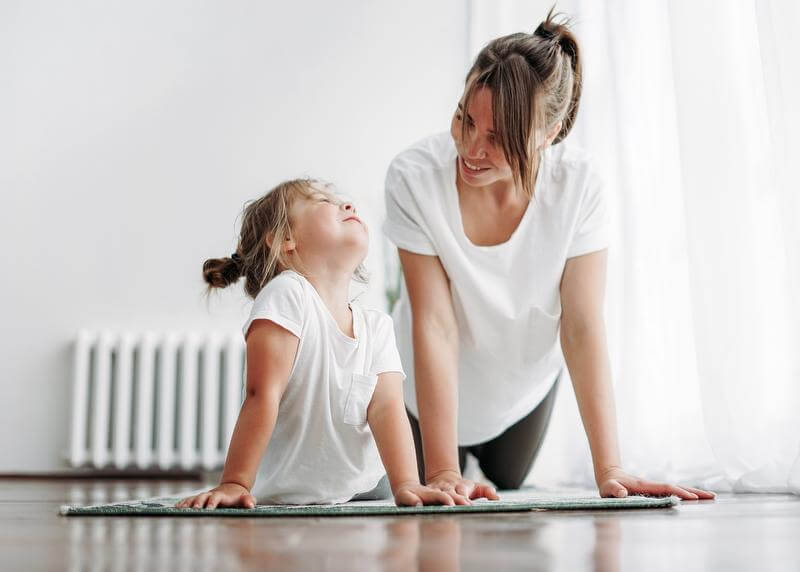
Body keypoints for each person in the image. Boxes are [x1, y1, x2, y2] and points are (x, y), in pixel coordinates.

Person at [383, 9, 715, 502]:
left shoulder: (579, 187)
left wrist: (611, 468)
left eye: (497, 137)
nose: (470, 148)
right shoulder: (414, 177)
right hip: (418, 396)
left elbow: (581, 325)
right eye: (464, 119)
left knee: (509, 489)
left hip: (521, 394)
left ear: (552, 130)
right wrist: (443, 468)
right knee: (404, 489)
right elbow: (434, 322)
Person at [177, 179, 482, 508]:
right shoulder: (287, 295)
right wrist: (235, 482)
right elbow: (261, 394)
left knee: (385, 481)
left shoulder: (377, 326)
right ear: (285, 240)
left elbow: (388, 408)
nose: (347, 205)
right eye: (324, 201)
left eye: (343, 201)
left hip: (365, 487)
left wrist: (407, 484)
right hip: (288, 490)